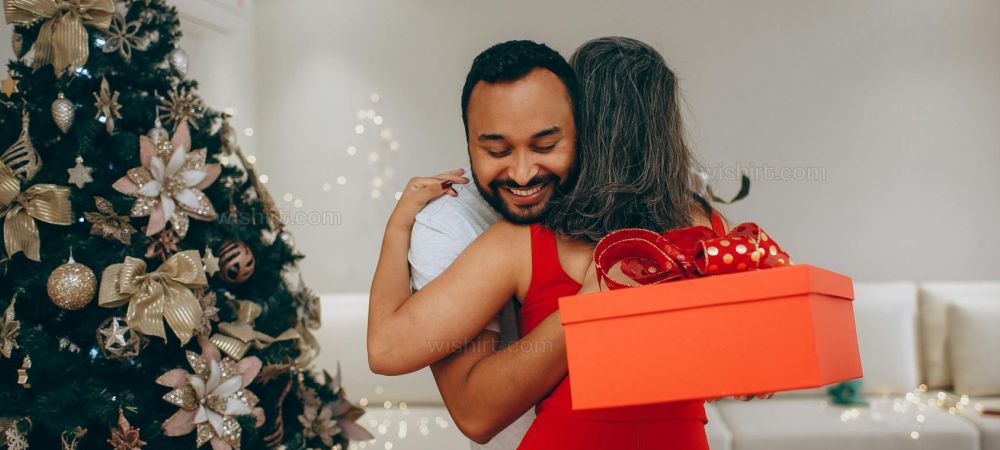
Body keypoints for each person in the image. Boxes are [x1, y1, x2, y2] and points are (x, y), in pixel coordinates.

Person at [369, 37, 766, 450]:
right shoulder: (712, 231)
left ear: (580, 123)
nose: (523, 172)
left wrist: (398, 226)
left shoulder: (527, 238)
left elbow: (388, 348)